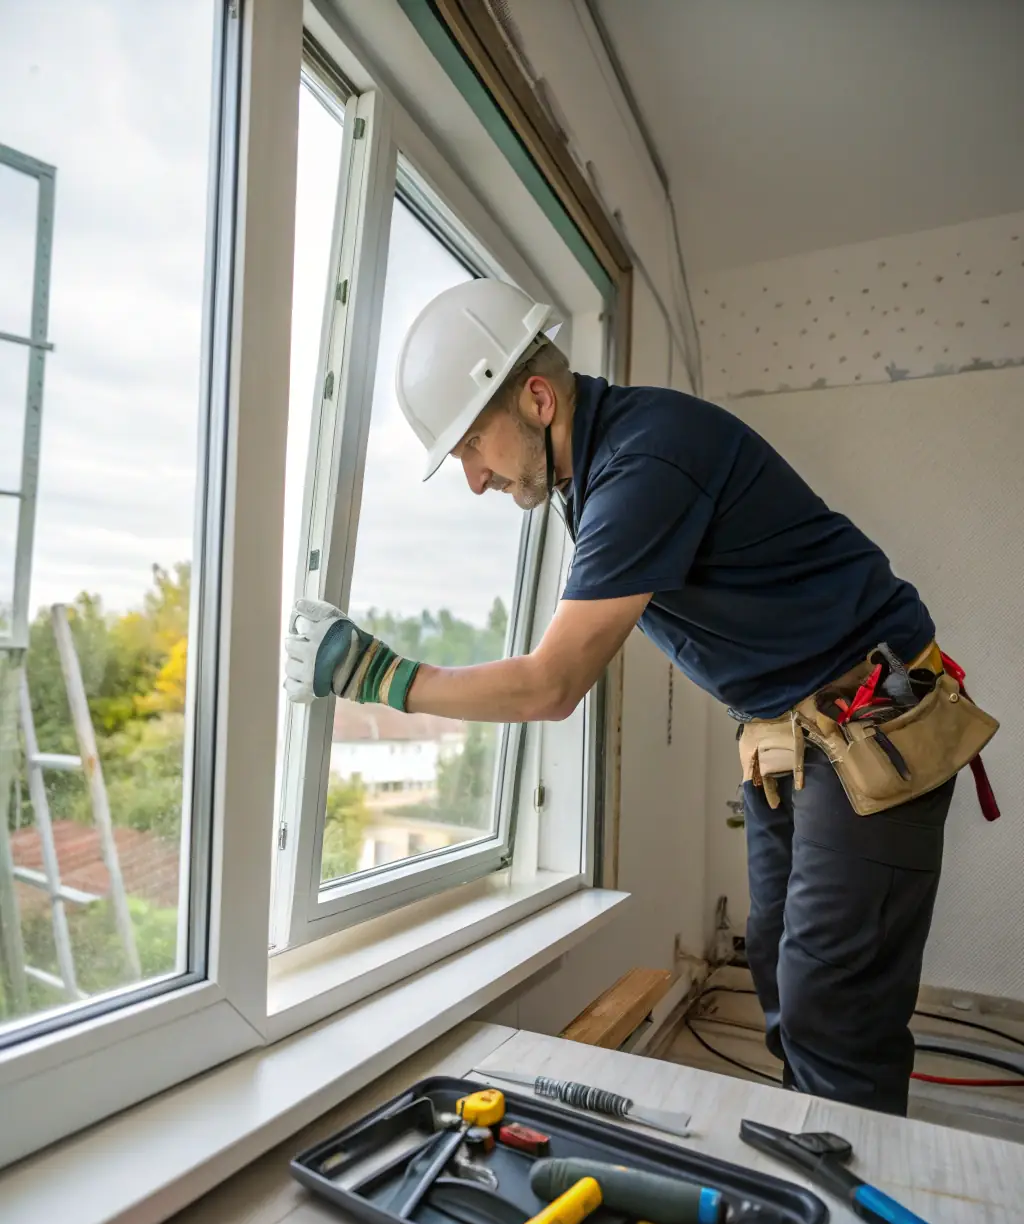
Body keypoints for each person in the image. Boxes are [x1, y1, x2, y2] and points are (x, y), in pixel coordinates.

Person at [284, 279, 997, 1117]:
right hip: (789, 734)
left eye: (475, 447)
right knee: (776, 964)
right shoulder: (586, 482)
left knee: (832, 1004)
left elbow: (552, 683)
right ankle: (821, 1145)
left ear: (539, 399)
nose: (475, 479)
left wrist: (382, 678)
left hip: (876, 719)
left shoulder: (644, 461)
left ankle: (856, 1202)